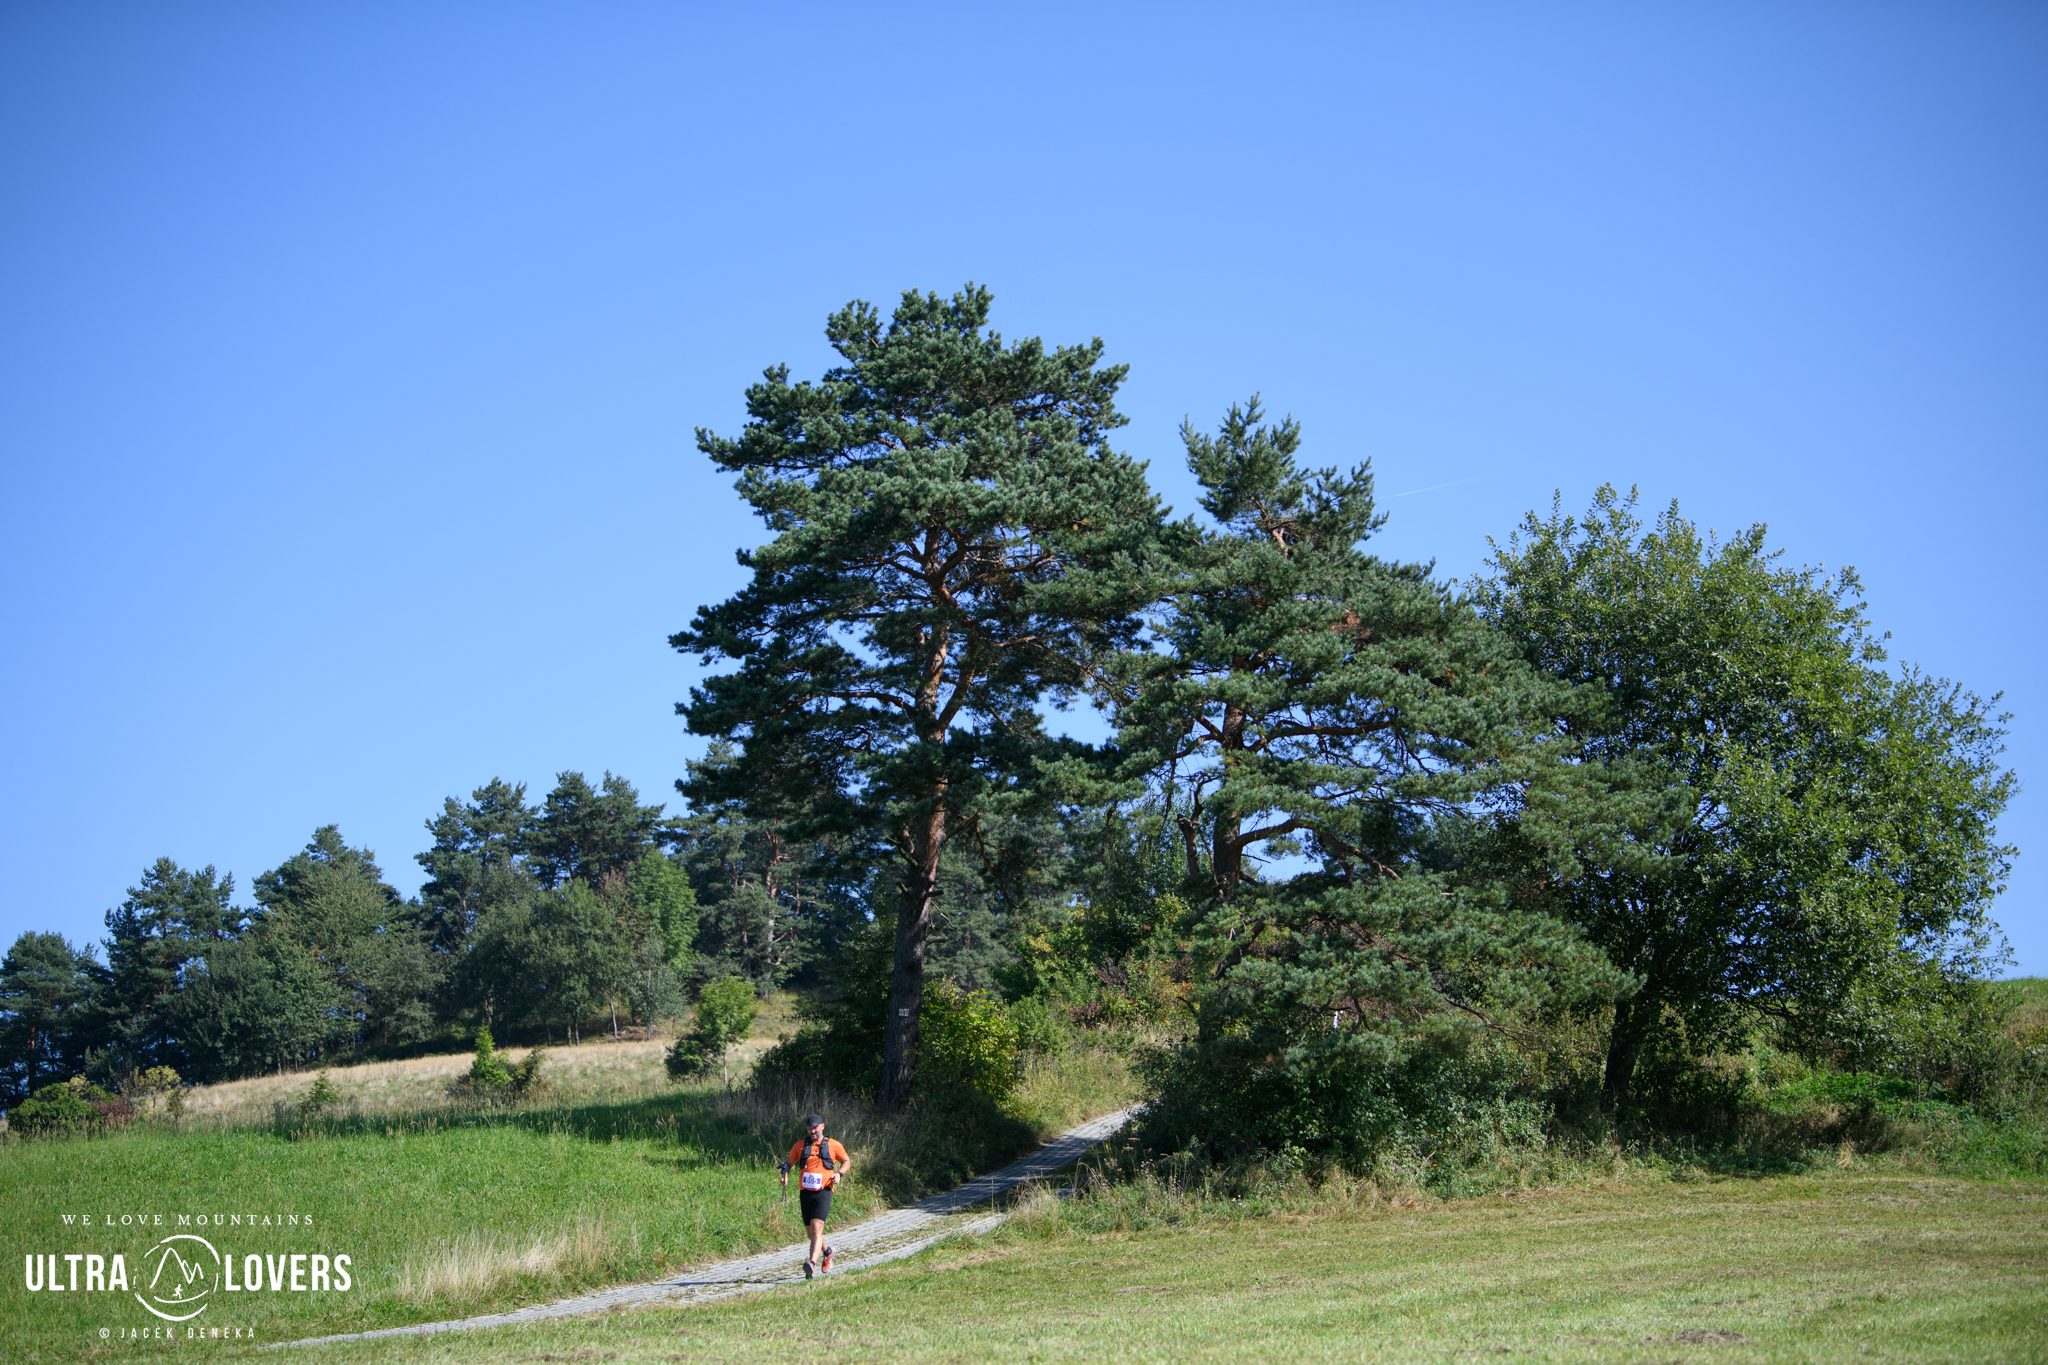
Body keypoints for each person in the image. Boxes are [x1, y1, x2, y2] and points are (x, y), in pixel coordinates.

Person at [781, 1113, 850, 1279]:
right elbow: (788, 1163)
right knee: (810, 1233)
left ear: (822, 1126)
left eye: (815, 1128)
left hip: (824, 1190)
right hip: (805, 1192)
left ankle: (811, 1263)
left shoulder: (833, 1145)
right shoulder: (800, 1145)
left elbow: (846, 1161)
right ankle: (827, 1251)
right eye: (809, 1128)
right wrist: (785, 1174)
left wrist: (839, 1174)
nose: (812, 1131)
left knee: (816, 1228)